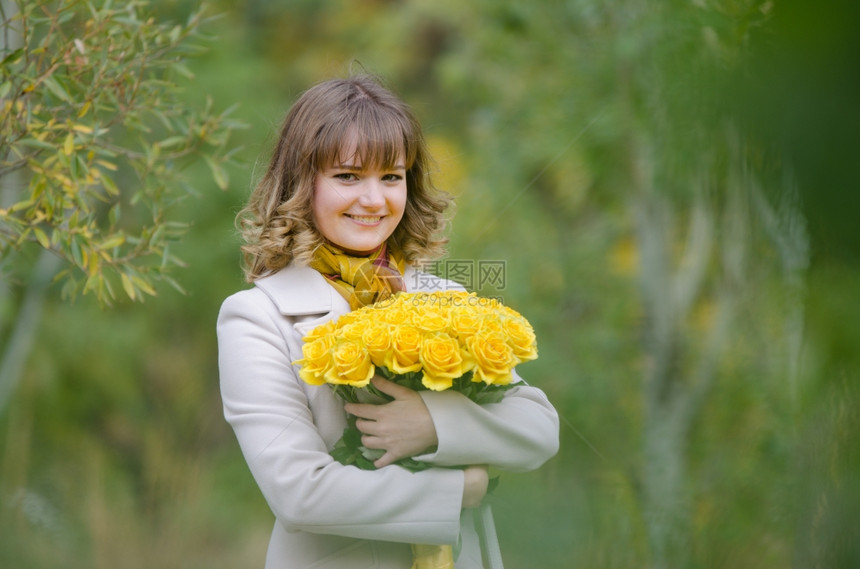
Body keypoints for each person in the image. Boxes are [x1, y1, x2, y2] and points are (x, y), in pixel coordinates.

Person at [217, 74, 559, 569]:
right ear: (301, 182)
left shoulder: (444, 298)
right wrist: (463, 486)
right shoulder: (256, 316)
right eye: (348, 176)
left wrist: (432, 425)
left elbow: (539, 428)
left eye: (392, 177)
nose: (374, 200)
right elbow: (299, 492)